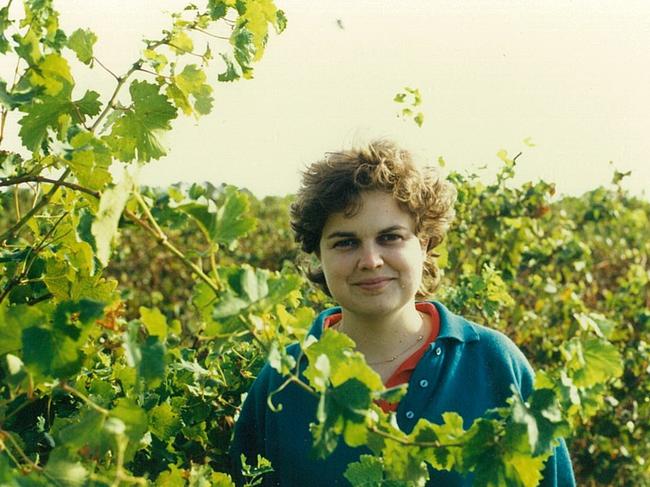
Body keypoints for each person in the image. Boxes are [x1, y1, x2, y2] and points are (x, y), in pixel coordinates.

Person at [230, 140, 575, 486]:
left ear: (424, 244)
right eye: (345, 242)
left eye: (390, 237)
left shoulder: (495, 363)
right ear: (318, 254)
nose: (370, 260)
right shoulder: (283, 382)